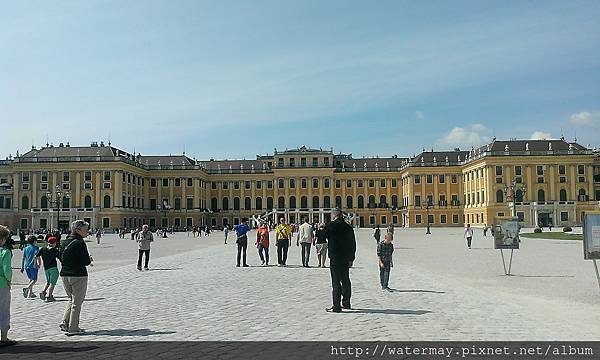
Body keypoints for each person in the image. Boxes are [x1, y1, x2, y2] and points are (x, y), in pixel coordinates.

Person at [60, 220, 93, 336]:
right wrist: (89, 259)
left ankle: (65, 322)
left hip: (64, 274)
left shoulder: (65, 241)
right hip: (78, 275)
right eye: (85, 230)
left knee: (71, 299)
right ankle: (73, 328)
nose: (87, 232)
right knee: (77, 302)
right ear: (78, 230)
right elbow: (86, 261)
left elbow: (60, 257)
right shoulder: (80, 243)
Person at [325, 208, 356, 313]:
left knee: (336, 281)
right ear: (342, 215)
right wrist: (351, 258)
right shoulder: (348, 227)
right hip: (345, 258)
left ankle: (336, 306)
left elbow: (322, 236)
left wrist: (322, 229)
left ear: (334, 216)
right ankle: (346, 302)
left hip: (334, 257)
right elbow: (353, 244)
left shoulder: (331, 226)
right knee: (345, 279)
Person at [0, 225, 16, 346]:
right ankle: (4, 338)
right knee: (4, 310)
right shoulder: (5, 252)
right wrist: (9, 280)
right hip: (2, 284)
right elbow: (7, 270)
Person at [37, 236, 61, 302]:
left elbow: (36, 255)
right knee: (52, 283)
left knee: (48, 282)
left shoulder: (43, 249)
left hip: (46, 268)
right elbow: (60, 258)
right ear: (54, 243)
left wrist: (36, 263)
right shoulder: (55, 250)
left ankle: (43, 292)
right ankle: (50, 296)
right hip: (53, 268)